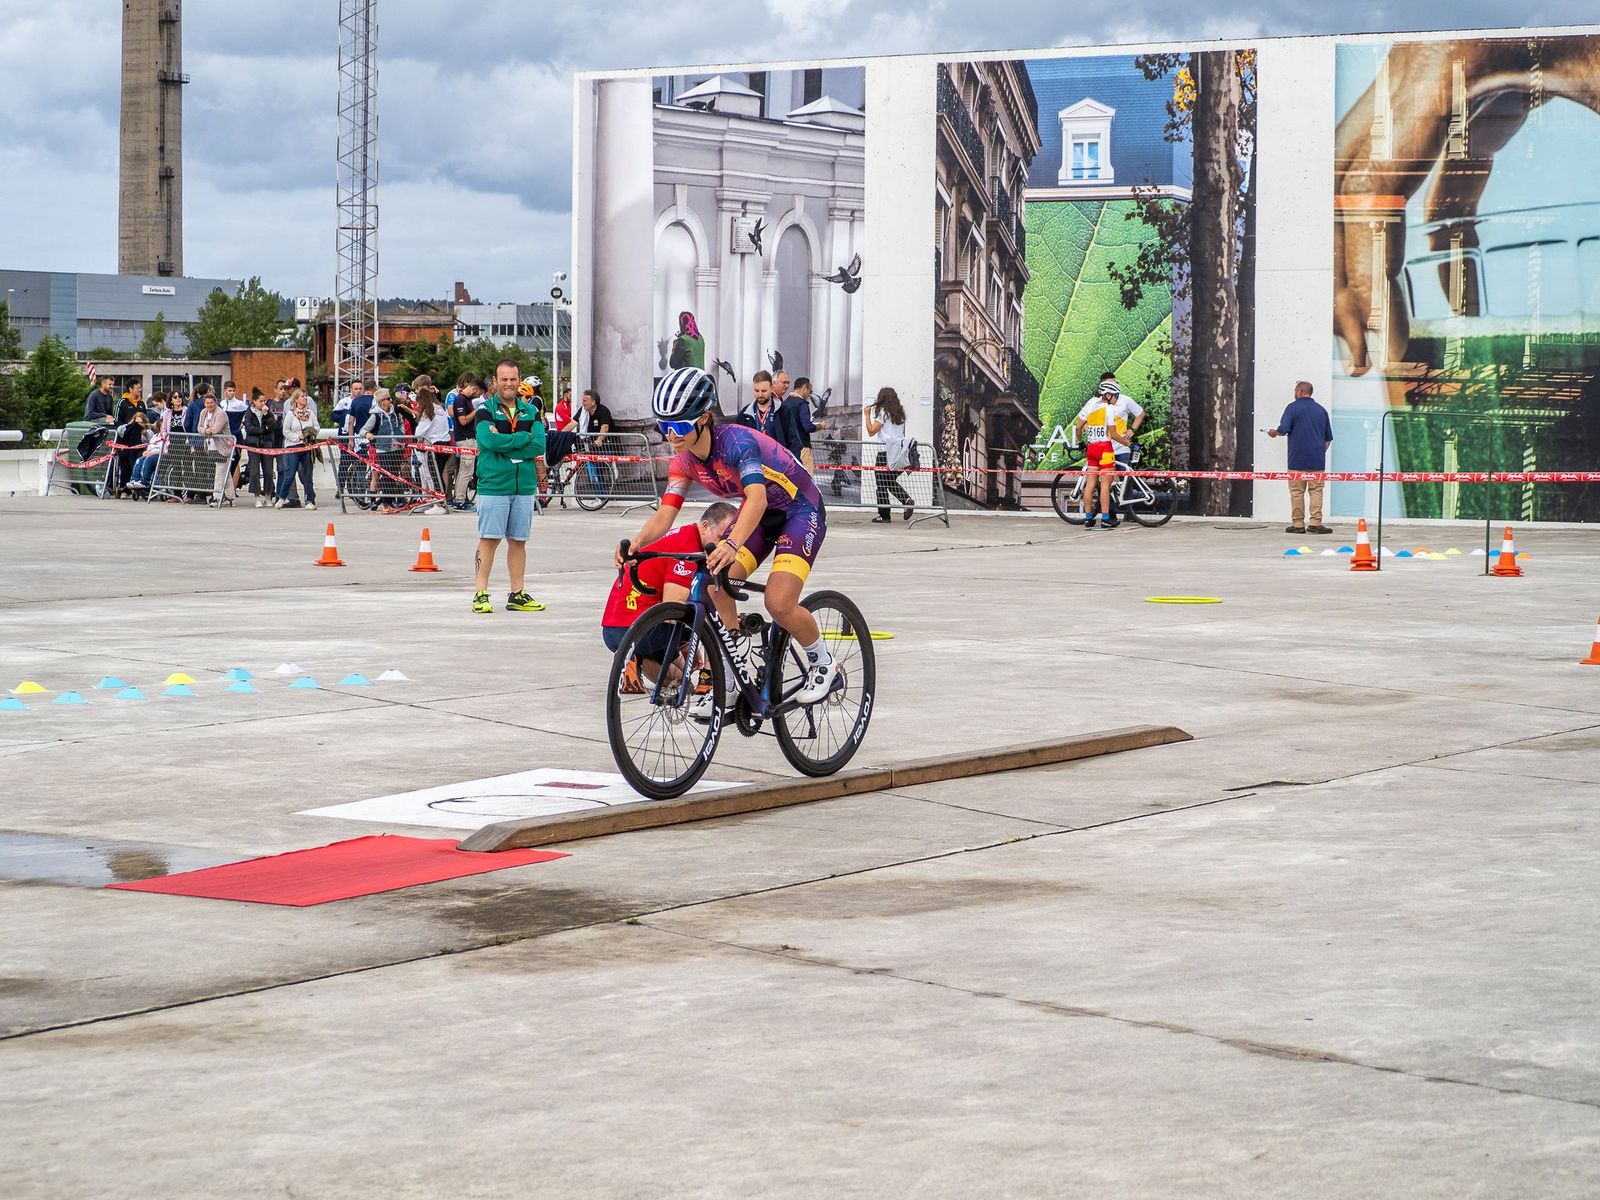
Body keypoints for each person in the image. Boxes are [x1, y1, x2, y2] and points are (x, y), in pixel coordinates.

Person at [622, 366, 838, 710]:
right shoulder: (684, 460)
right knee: (712, 581)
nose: (671, 436)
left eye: (678, 426)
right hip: (761, 514)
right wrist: (636, 544)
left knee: (778, 603)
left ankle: (824, 663)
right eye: (664, 427)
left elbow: (758, 498)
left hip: (799, 510)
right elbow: (666, 514)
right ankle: (735, 668)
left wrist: (732, 543)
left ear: (705, 418)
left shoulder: (736, 443)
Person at [604, 502, 739, 690]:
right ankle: (708, 677)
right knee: (713, 613)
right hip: (642, 628)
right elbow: (673, 606)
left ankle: (630, 660)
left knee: (679, 684)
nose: (721, 547)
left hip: (614, 629)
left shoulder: (682, 534)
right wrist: (688, 642)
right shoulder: (688, 547)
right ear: (705, 526)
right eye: (719, 538)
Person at [472, 360, 546, 614]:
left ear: (519, 380)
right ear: (495, 382)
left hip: (523, 486)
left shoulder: (531, 412)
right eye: (503, 379)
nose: (508, 383)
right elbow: (488, 440)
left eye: (513, 379)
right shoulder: (485, 410)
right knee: (489, 539)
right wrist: (521, 438)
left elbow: (539, 445)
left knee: (518, 541)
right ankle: (481, 593)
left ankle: (517, 593)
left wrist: (509, 441)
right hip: (494, 485)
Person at [1268, 381, 1335, 535]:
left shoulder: (1292, 408)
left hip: (1296, 460)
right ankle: (1315, 523)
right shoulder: (1321, 410)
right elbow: (1328, 439)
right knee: (1316, 491)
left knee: (1297, 493)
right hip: (1317, 460)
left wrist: (1274, 432)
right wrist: (1319, 452)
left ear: (1299, 391)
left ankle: (1298, 524)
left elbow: (1283, 429)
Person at [1072, 380, 1133, 530]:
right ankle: (1105, 519)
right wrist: (1127, 444)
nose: (1115, 399)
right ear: (1107, 394)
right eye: (1114, 395)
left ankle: (1088, 518)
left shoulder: (1090, 403)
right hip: (1105, 449)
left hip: (1092, 448)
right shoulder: (1109, 409)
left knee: (1090, 485)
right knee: (1105, 486)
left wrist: (1081, 443)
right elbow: (1113, 434)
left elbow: (1078, 428)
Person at [863, 387, 916, 523]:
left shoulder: (882, 414)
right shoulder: (900, 414)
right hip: (898, 452)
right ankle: (906, 500)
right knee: (889, 481)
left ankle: (884, 515)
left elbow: (871, 431)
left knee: (881, 485)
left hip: (884, 453)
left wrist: (867, 416)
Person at [1098, 375, 1144, 529]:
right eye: (1108, 383)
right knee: (1106, 483)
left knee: (1126, 479)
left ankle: (1130, 512)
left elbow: (1140, 413)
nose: (1112, 385)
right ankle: (1110, 514)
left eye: (1114, 382)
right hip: (1104, 447)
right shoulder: (1098, 402)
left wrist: (1132, 430)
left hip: (1121, 447)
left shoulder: (1125, 400)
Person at [360, 388, 407, 512]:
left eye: (390, 398)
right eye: (387, 399)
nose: (390, 400)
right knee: (386, 475)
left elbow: (401, 423)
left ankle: (391, 501)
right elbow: (363, 430)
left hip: (397, 447)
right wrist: (368, 435)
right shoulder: (376, 415)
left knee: (394, 475)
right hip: (383, 449)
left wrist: (401, 434)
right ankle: (386, 503)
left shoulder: (395, 413)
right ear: (381, 401)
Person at [276, 387, 320, 510]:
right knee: (290, 474)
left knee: (307, 475)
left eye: (306, 397)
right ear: (296, 399)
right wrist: (297, 437)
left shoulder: (310, 414)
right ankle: (282, 497)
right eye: (302, 397)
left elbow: (316, 427)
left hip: (307, 447)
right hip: (293, 447)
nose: (305, 399)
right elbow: (286, 430)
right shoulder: (290, 414)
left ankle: (309, 500)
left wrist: (311, 434)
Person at [412, 376, 451, 515]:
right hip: (445, 442)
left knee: (435, 475)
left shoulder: (428, 410)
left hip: (435, 445)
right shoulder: (438, 406)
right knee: (437, 473)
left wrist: (417, 438)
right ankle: (433, 501)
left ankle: (439, 504)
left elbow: (421, 429)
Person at [448, 372, 481, 511]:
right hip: (464, 439)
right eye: (478, 393)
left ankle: (461, 498)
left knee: (468, 470)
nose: (478, 396)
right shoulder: (459, 399)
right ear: (473, 388)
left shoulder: (466, 400)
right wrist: (477, 411)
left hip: (469, 437)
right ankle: (459, 499)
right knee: (465, 470)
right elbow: (462, 420)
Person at [241, 392, 281, 507]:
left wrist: (265, 416)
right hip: (253, 444)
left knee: (268, 470)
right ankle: (257, 496)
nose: (263, 403)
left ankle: (268, 495)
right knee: (255, 472)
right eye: (261, 401)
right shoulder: (249, 413)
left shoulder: (268, 413)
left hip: (267, 443)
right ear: (254, 401)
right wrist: (263, 429)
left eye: (264, 401)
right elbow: (250, 429)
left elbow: (272, 426)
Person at [196, 391, 234, 502]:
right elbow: (198, 427)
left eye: (211, 402)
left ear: (215, 402)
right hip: (210, 447)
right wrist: (205, 430)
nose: (209, 405)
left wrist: (207, 430)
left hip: (223, 447)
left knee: (219, 473)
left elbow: (216, 430)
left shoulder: (220, 414)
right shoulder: (203, 412)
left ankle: (217, 498)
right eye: (207, 402)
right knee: (225, 473)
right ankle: (231, 497)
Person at [782, 375, 818, 470]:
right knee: (807, 479)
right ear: (804, 388)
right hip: (803, 447)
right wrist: (820, 426)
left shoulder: (784, 404)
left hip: (787, 449)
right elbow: (807, 426)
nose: (810, 395)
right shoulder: (802, 404)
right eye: (810, 391)